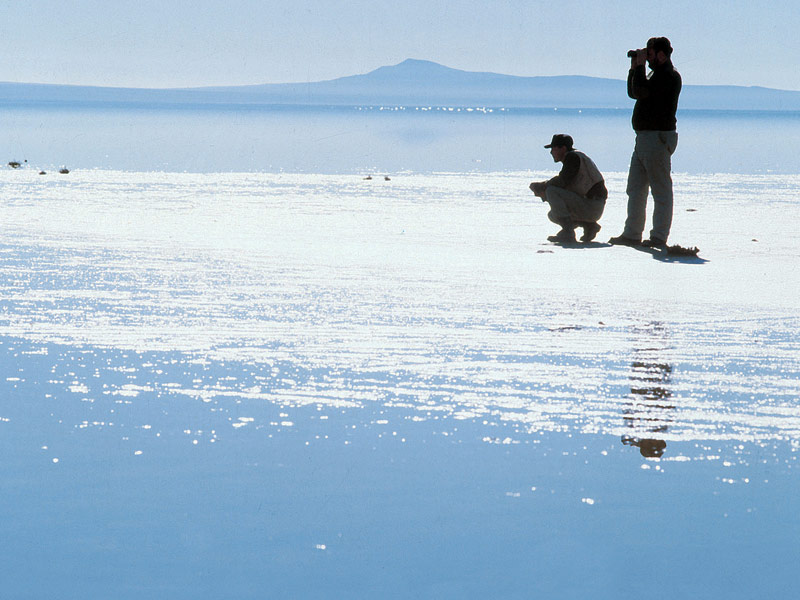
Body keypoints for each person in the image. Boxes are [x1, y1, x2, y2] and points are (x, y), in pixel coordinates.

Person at [610, 36, 682, 248]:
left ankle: (658, 236)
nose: (648, 58)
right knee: (635, 189)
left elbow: (642, 91)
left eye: (650, 54)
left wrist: (640, 68)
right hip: (643, 138)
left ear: (661, 54)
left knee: (660, 190)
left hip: (657, 138)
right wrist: (635, 69)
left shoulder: (669, 76)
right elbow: (634, 93)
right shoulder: (655, 74)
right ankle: (632, 234)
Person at [529, 134, 608, 243]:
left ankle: (568, 233)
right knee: (553, 215)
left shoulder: (572, 157)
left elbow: (562, 181)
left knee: (551, 191)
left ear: (563, 148)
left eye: (553, 148)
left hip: (591, 205)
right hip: (592, 205)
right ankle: (589, 225)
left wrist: (543, 187)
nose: (551, 152)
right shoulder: (576, 157)